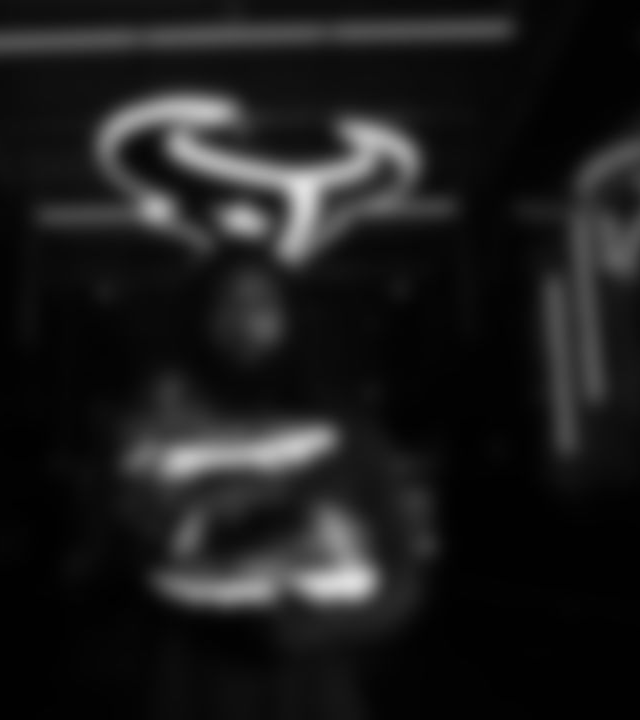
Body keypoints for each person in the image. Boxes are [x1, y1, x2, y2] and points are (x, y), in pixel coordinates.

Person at [94, 247, 436, 720]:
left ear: (292, 317)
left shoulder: (347, 431)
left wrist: (308, 623)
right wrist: (147, 520)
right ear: (199, 321)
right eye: (225, 302)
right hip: (188, 682)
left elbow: (404, 582)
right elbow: (106, 571)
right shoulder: (159, 434)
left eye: (263, 301)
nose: (244, 317)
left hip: (310, 686)